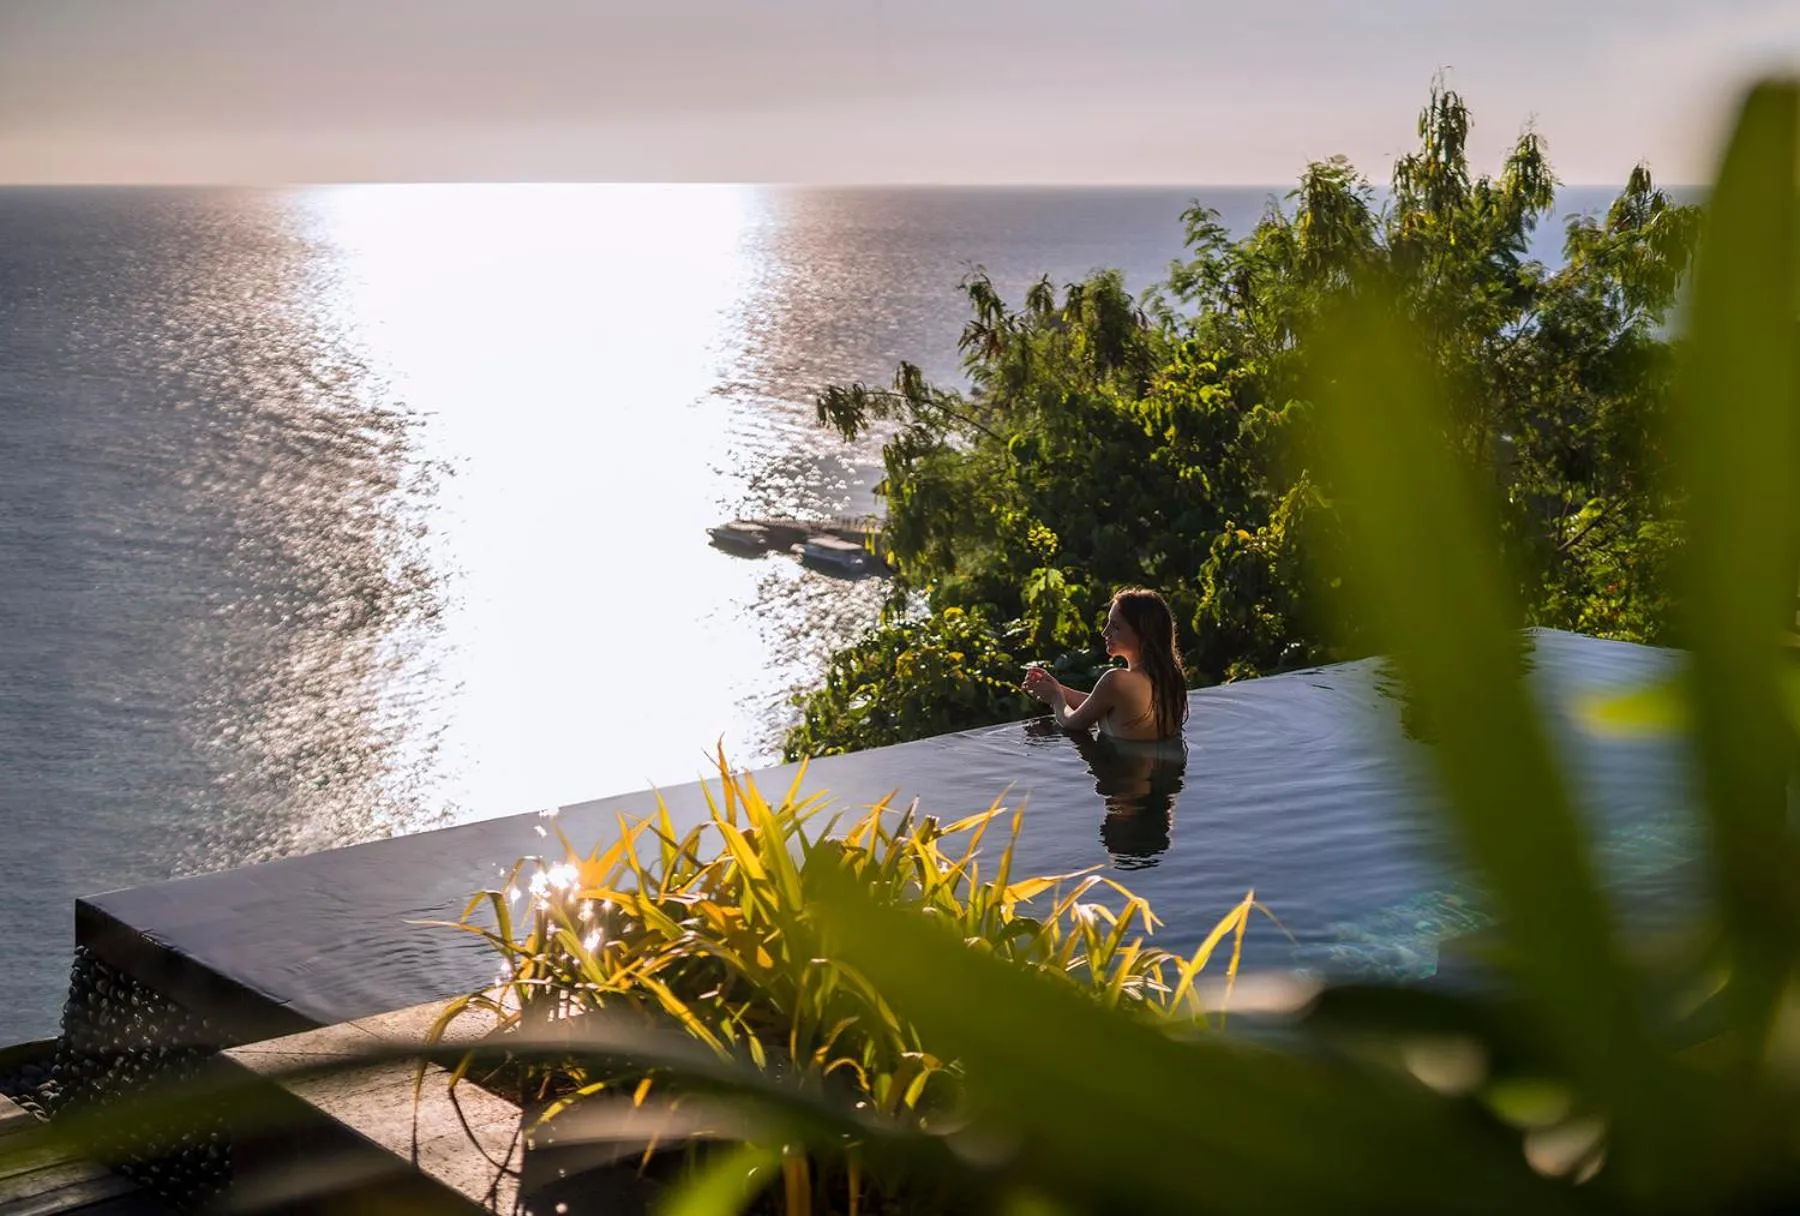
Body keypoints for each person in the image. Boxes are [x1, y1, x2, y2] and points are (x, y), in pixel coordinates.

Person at [1021, 587, 1189, 744]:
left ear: (1143, 634)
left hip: (1121, 772)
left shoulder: (1116, 680)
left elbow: (1071, 722)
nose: (1105, 632)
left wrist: (1056, 699)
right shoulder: (1171, 678)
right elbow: (1101, 703)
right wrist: (1057, 688)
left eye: (1115, 626)